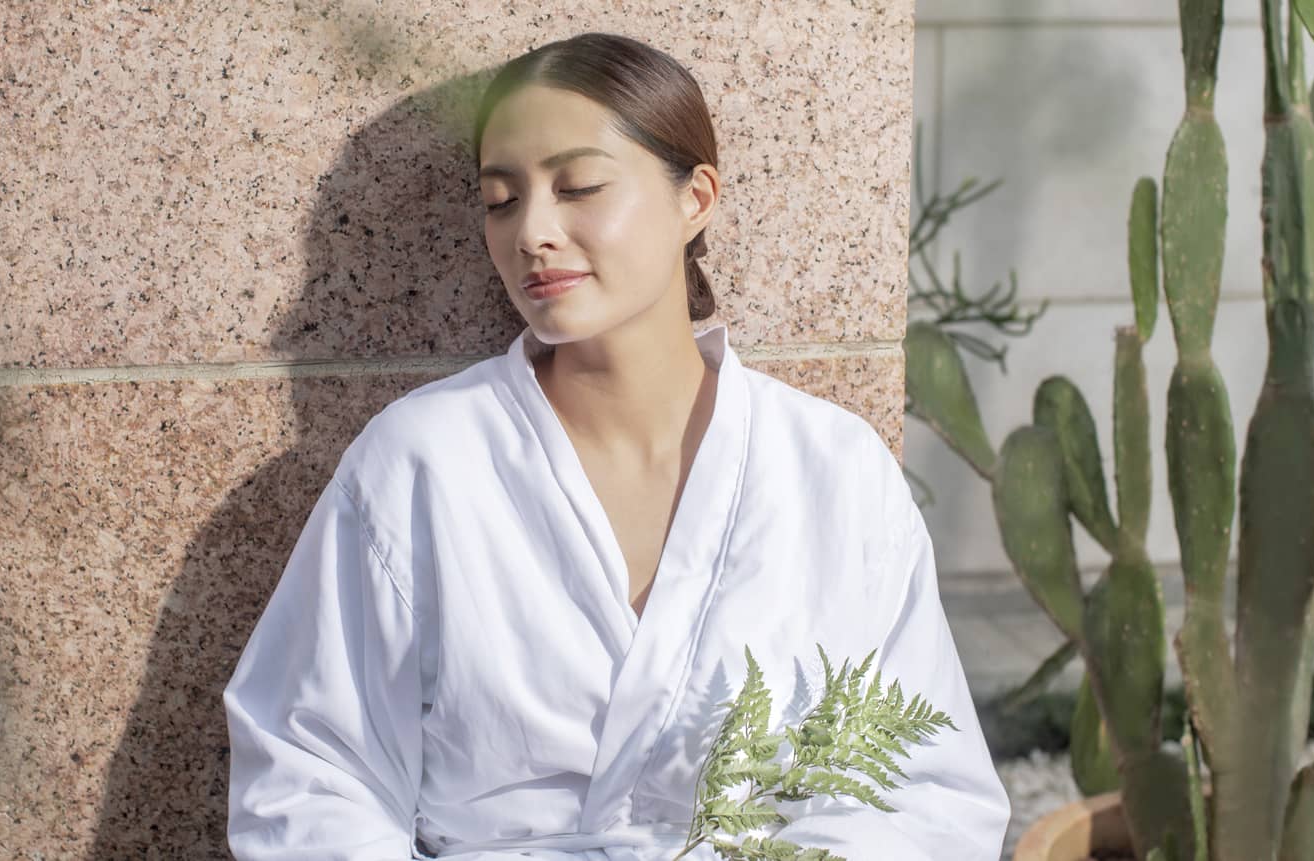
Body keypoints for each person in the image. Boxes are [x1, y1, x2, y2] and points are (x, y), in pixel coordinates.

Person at [222, 31, 1009, 861]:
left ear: (695, 197)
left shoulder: (830, 469)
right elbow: (308, 776)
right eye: (500, 199)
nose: (533, 231)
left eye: (580, 186)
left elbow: (926, 792)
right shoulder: (421, 463)